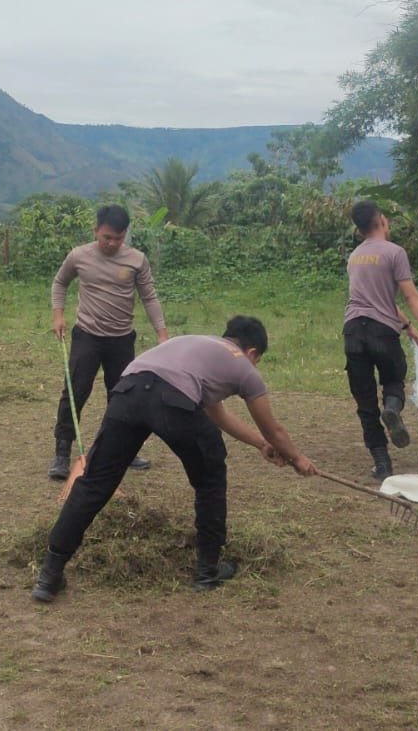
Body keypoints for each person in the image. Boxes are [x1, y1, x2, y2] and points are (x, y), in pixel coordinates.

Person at [31, 316, 318, 601]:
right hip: (171, 400)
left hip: (128, 392)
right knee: (210, 477)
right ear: (253, 352)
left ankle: (49, 575)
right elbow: (274, 429)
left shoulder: (197, 346)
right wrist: (298, 459)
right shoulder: (243, 365)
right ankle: (208, 569)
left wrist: (260, 444)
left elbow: (218, 414)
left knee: (94, 482)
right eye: (257, 360)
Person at [48, 204, 169, 479]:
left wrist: (162, 334)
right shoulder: (79, 256)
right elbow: (60, 283)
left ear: (125, 233)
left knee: (123, 396)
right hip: (87, 336)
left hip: (121, 340)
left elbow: (149, 297)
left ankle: (123, 451)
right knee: (75, 391)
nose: (112, 243)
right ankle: (61, 453)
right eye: (106, 238)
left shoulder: (137, 260)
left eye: (118, 238)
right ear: (96, 231)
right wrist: (58, 315)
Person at [343, 200, 418, 481]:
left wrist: (407, 326)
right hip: (382, 333)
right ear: (381, 220)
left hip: (353, 331)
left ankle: (382, 463)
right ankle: (391, 408)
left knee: (365, 401)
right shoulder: (394, 252)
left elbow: (372, 300)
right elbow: (410, 296)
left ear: (359, 228)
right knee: (392, 380)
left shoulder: (354, 256)